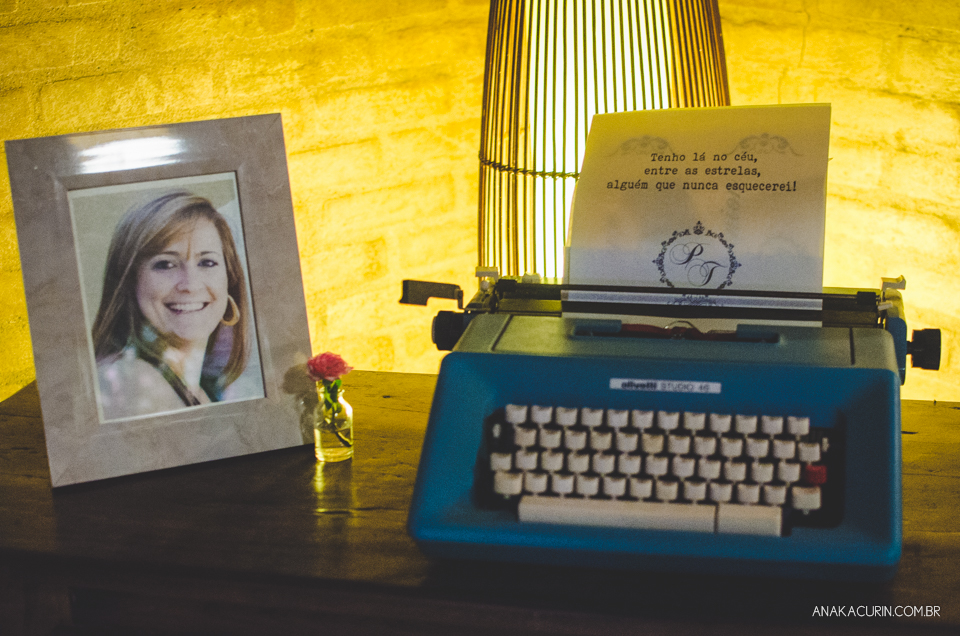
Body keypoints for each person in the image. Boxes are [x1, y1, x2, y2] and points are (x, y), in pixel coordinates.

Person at [92, 191, 252, 420]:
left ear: (230, 280)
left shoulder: (198, 389)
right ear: (129, 280)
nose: (190, 285)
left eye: (207, 262)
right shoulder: (129, 383)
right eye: (166, 264)